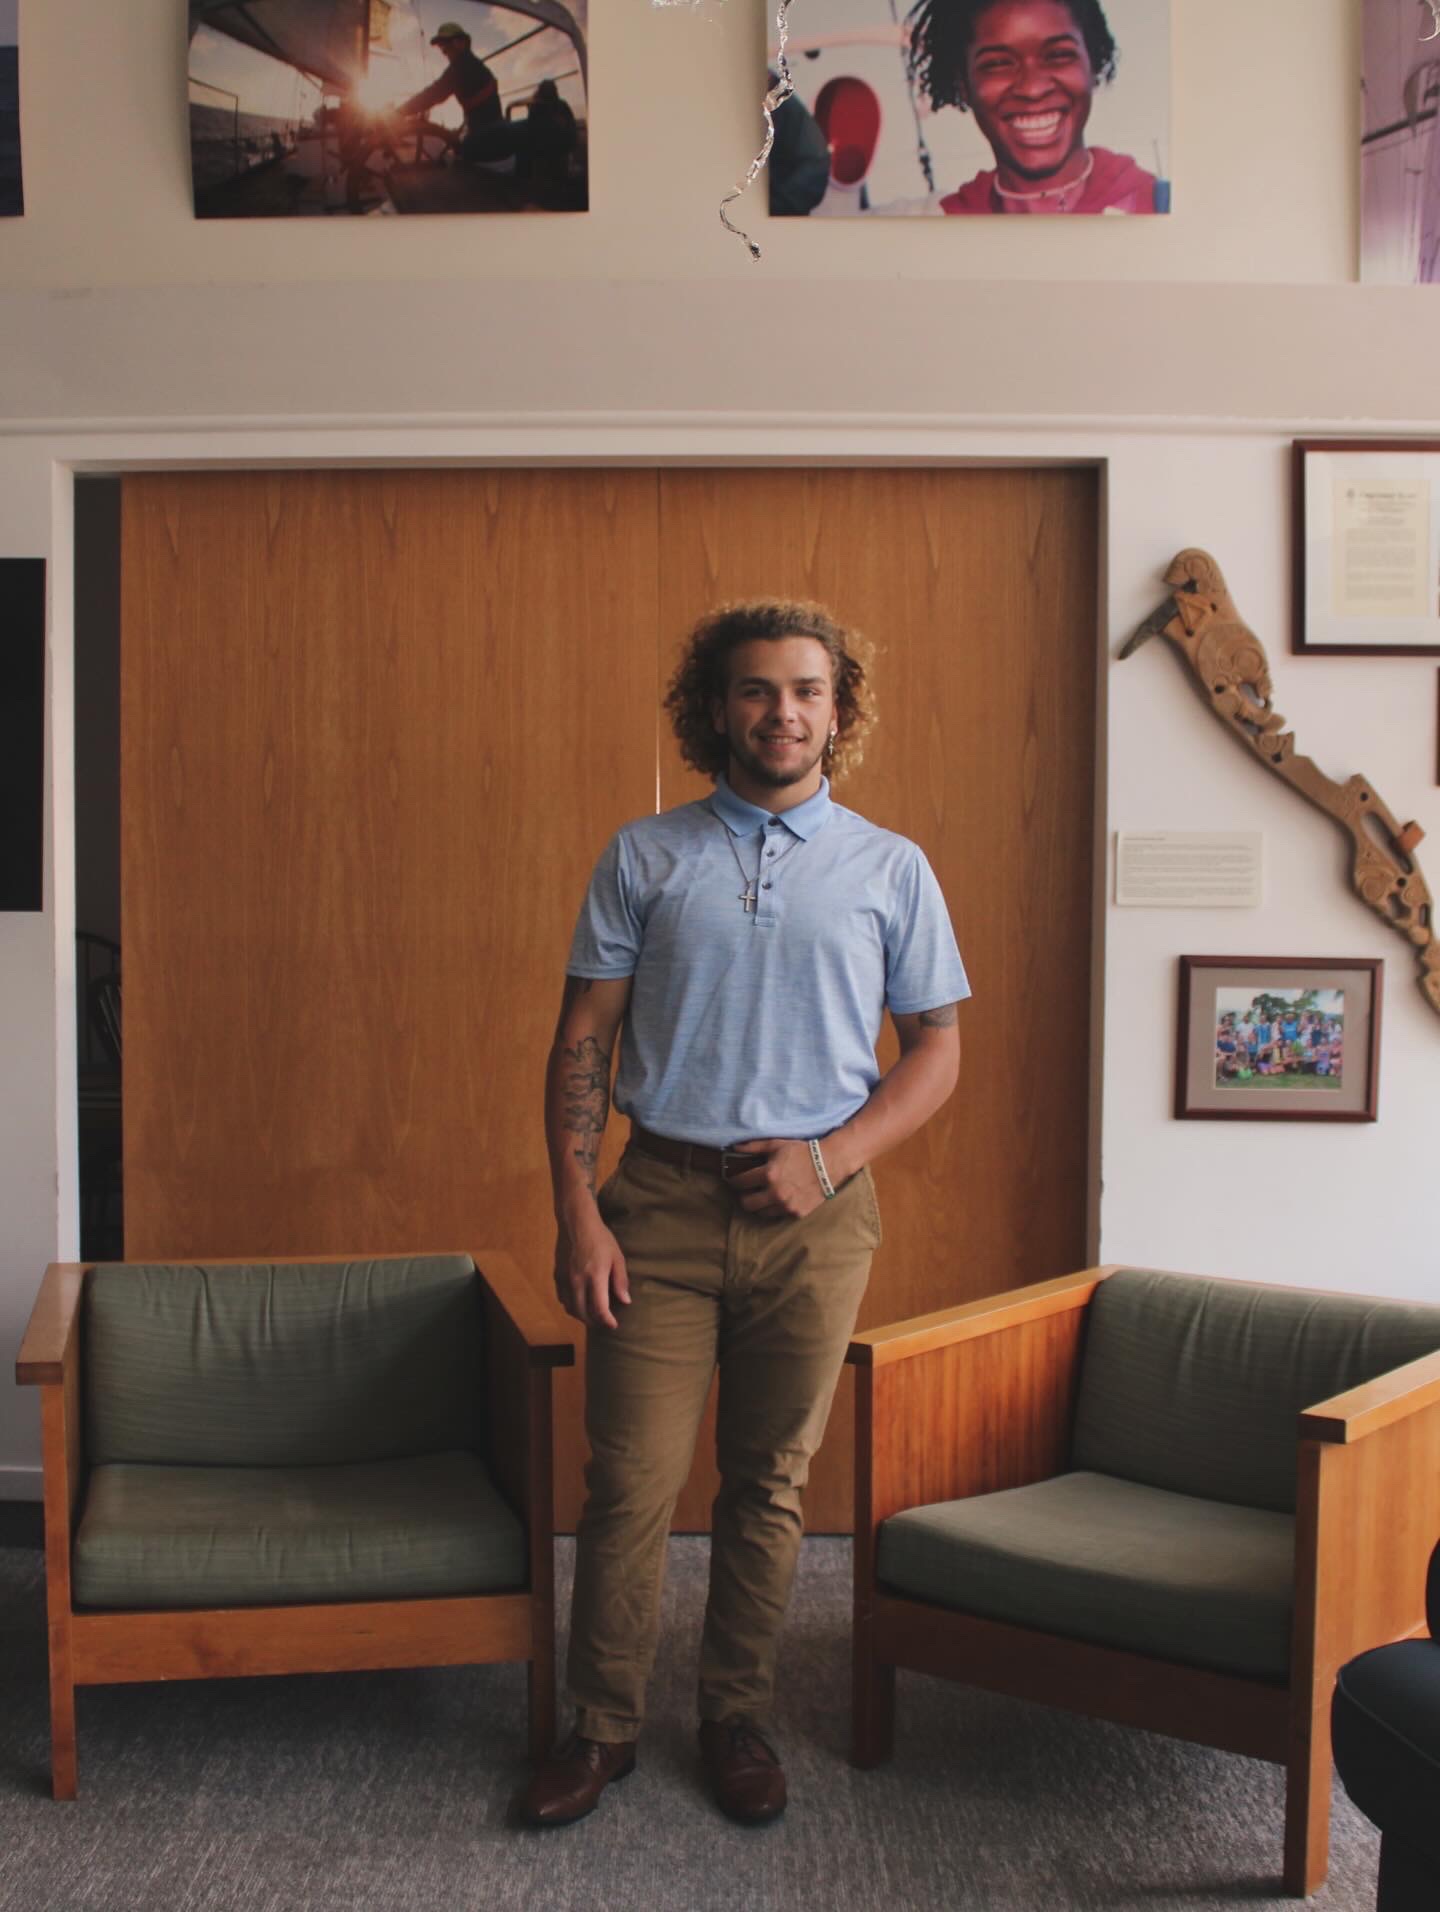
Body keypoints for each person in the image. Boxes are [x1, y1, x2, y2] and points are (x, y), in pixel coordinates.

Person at [518, 599, 969, 1829]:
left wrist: (831, 1162)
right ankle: (602, 1726)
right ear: (714, 707)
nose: (784, 711)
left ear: (841, 708)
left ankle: (735, 1713)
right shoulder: (643, 854)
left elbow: (937, 1050)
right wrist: (578, 1211)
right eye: (759, 690)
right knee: (628, 1485)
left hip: (816, 1219)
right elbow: (582, 1042)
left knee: (768, 1481)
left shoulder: (891, 867)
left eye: (809, 690)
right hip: (654, 1203)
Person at [906, 0, 1163, 216]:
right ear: (963, 83)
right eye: (997, 63)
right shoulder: (942, 226)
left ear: (1092, 63)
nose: (1032, 88)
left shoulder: (1158, 206)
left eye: (1059, 55)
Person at [393, 20, 510, 166]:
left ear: (460, 42)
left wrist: (399, 112)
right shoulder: (475, 64)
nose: (444, 52)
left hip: (485, 142)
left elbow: (434, 94)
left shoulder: (461, 66)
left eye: (445, 46)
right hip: (495, 135)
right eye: (442, 47)